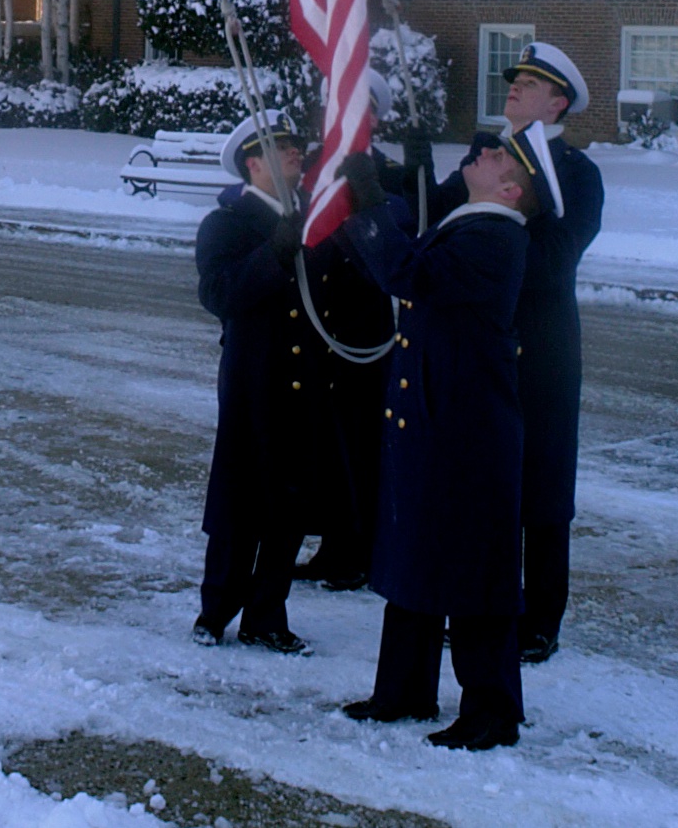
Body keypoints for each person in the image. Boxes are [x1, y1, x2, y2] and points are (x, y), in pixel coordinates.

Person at [336, 139, 538, 751]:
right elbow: (413, 235)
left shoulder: (497, 237)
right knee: (416, 552)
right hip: (437, 418)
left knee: (473, 569)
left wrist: (370, 199)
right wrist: (383, 186)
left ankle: (492, 710)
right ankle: (403, 688)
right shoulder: (470, 223)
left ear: (511, 190)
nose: (482, 151)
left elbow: (413, 274)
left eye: (498, 157)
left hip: (467, 431)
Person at [419, 41, 604, 663]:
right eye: (515, 79)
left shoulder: (577, 174)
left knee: (543, 493)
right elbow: (434, 212)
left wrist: (495, 233)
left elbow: (553, 264)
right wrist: (411, 154)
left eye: (530, 83)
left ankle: (540, 619)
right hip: (480, 346)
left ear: (558, 104)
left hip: (543, 351)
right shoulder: (489, 155)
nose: (515, 88)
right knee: (481, 483)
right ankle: (480, 602)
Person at [194, 108, 391, 652]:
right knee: (240, 502)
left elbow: (345, 287)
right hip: (255, 382)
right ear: (252, 164)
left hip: (309, 381)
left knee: (288, 505)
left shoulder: (312, 216)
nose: (294, 156)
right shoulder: (226, 223)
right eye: (281, 151)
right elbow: (221, 295)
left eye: (293, 148)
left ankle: (266, 614)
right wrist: (276, 250)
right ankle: (215, 611)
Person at [294, 67, 407, 590]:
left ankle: (362, 548)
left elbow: (402, 242)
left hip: (363, 327)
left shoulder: (389, 176)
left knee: (362, 442)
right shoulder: (308, 172)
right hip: (313, 323)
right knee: (318, 441)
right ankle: (331, 541)